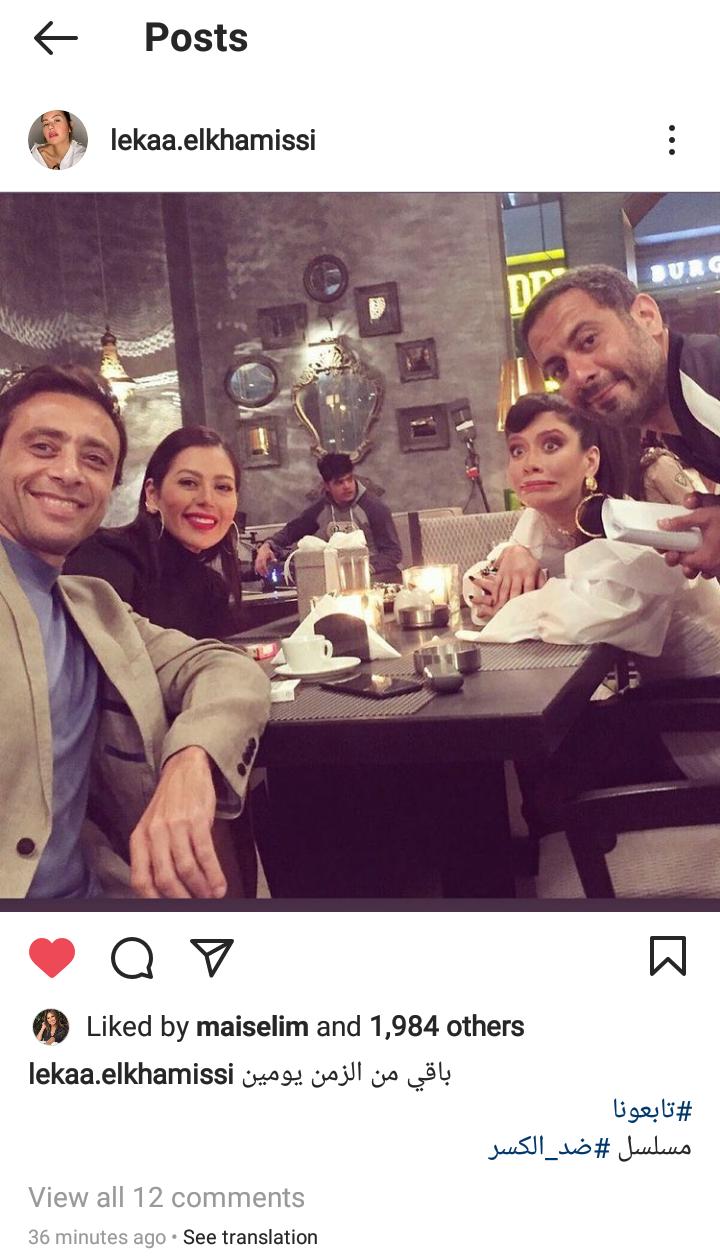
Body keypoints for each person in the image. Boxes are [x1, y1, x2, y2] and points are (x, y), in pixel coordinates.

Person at [0, 364, 270, 900]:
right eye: (43, 447)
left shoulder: (92, 607)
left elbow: (226, 666)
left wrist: (191, 758)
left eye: (95, 460)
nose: (70, 472)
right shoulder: (112, 566)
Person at [464, 394, 720, 788]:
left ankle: (556, 826)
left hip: (699, 728)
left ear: (591, 461)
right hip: (666, 705)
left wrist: (514, 594)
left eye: (551, 445)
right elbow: (479, 581)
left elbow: (578, 621)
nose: (529, 462)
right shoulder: (558, 525)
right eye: (517, 450)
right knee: (535, 744)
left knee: (539, 752)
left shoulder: (630, 530)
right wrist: (510, 559)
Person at [520, 263, 720, 579]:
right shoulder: (676, 417)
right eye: (559, 369)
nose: (579, 375)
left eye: (588, 340)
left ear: (646, 317)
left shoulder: (708, 380)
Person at [65, 426, 244, 638]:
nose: (207, 499)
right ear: (152, 494)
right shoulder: (107, 559)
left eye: (223, 487)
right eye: (188, 483)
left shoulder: (212, 588)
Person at [253, 452, 403, 581]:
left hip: (376, 578)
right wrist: (267, 545)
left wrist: (365, 568)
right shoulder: (320, 508)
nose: (347, 486)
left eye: (349, 479)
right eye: (339, 482)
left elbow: (393, 553)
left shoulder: (374, 507)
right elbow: (291, 531)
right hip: (337, 580)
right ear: (327, 486)